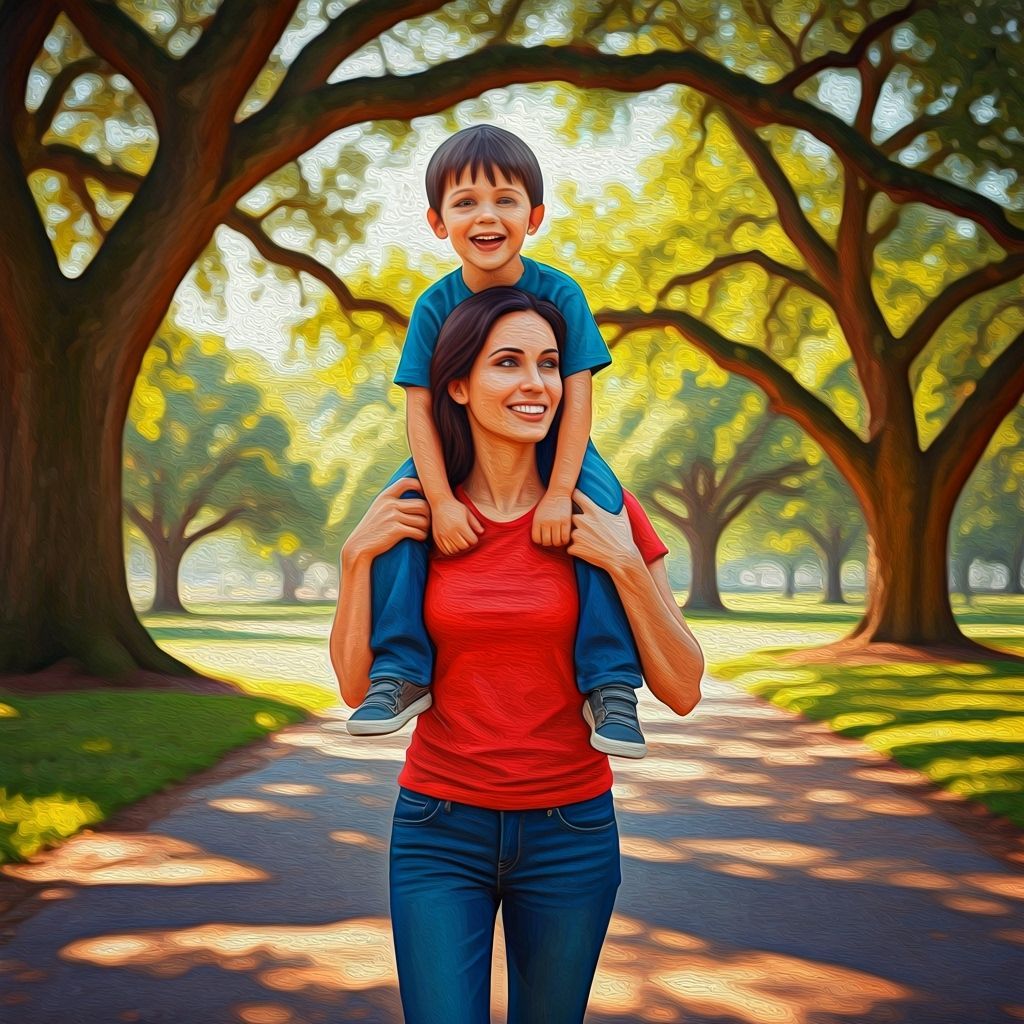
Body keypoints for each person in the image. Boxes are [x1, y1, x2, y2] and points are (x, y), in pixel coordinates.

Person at [330, 286, 704, 1024]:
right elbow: (351, 687)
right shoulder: (414, 514)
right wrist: (352, 561)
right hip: (439, 831)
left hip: (572, 834)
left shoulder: (605, 508)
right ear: (458, 385)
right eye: (508, 363)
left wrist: (627, 565)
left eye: (548, 365)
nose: (535, 385)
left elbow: (685, 687)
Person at [346, 124, 651, 758]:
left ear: (533, 216)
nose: (486, 215)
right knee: (400, 509)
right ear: (438, 222)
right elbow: (420, 408)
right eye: (465, 202)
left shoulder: (560, 292)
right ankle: (400, 670)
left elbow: (577, 397)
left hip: (560, 446)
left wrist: (561, 491)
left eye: (505, 199)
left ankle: (612, 683)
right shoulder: (435, 305)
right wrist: (443, 500)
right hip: (459, 444)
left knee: (604, 514)